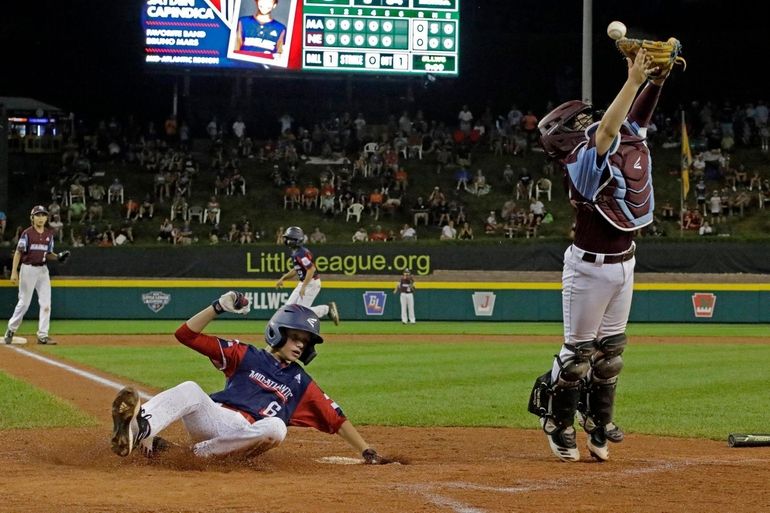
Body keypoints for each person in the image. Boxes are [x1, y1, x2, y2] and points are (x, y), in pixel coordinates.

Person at [528, 48, 669, 462]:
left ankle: (599, 423)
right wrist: (633, 79)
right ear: (565, 135)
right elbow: (607, 133)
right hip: (588, 270)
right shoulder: (581, 163)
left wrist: (655, 81)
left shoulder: (611, 141)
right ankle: (557, 422)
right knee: (577, 358)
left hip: (625, 263)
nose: (591, 123)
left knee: (611, 355)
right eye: (581, 122)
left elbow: (634, 123)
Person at [109, 294, 390, 464]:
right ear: (278, 332)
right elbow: (186, 335)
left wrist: (367, 450)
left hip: (247, 434)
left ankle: (193, 455)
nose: (299, 346)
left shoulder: (301, 382)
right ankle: (137, 430)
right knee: (191, 388)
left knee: (277, 427)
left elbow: (336, 419)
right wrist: (218, 306)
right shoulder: (246, 355)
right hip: (215, 417)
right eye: (295, 337)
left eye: (304, 343)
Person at [4, 206, 70, 345]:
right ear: (32, 218)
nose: (40, 218)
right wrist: (14, 272)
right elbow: (18, 252)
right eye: (37, 215)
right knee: (24, 303)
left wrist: (57, 257)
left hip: (43, 270)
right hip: (28, 269)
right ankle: (11, 329)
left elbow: (48, 253)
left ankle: (43, 335)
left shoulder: (49, 234)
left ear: (47, 218)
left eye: (43, 215)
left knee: (46, 304)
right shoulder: (27, 234)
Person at [275, 226, 340, 325]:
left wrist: (304, 287)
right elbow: (296, 269)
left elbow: (311, 269)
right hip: (304, 282)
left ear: (295, 240)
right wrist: (283, 278)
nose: (287, 240)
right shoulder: (296, 252)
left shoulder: (301, 253)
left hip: (311, 283)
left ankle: (326, 309)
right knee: (288, 309)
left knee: (300, 314)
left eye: (289, 238)